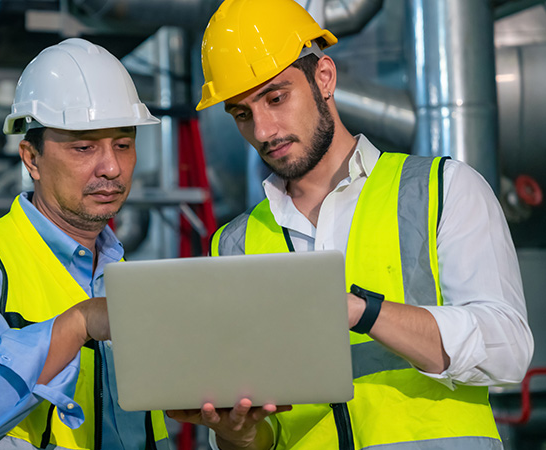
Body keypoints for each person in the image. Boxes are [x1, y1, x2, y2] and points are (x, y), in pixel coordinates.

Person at [167, 0, 534, 449]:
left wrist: (367, 312)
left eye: (276, 98)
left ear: (324, 77)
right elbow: (263, 434)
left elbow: (509, 351)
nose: (263, 130)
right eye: (242, 114)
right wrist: (236, 434)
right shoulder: (232, 245)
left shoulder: (441, 189)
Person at [0, 38, 171, 450]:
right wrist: (76, 325)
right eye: (84, 147)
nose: (111, 167)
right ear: (31, 158)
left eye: (123, 145)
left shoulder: (118, 273)